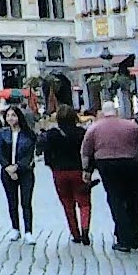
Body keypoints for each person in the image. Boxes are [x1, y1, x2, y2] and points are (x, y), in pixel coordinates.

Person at [84, 97, 138, 251]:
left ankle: (124, 238)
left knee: (115, 199)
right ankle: (134, 234)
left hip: (107, 165)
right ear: (116, 112)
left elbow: (86, 152)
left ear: (103, 113)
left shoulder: (94, 128)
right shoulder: (131, 125)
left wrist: (86, 171)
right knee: (133, 199)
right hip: (131, 163)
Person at [41, 104, 93, 245]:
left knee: (67, 204)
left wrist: (53, 167)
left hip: (60, 172)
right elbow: (88, 152)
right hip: (79, 171)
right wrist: (89, 169)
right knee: (84, 202)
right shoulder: (81, 133)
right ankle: (85, 230)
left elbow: (47, 155)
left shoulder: (52, 134)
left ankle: (75, 233)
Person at [0, 103, 39, 240]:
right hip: (7, 172)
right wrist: (7, 167)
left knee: (26, 202)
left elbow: (29, 155)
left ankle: (28, 231)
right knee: (12, 201)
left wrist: (17, 167)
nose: (10, 118)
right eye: (8, 116)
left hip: (25, 172)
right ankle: (15, 228)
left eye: (13, 115)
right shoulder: (2, 133)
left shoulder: (28, 134)